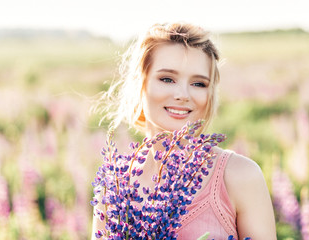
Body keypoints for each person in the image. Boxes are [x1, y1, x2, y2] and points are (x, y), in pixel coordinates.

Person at [91, 22, 276, 240]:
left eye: (199, 83)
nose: (183, 94)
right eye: (167, 79)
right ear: (140, 84)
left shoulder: (240, 176)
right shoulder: (115, 185)